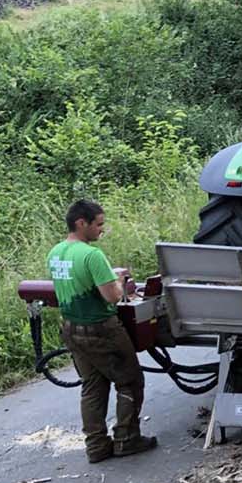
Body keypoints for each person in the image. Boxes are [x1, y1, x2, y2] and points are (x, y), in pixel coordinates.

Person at [47, 199, 157, 464]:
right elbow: (111, 297)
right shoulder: (91, 255)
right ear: (80, 223)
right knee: (129, 381)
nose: (101, 230)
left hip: (71, 327)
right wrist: (119, 282)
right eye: (98, 225)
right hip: (101, 329)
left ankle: (96, 445)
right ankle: (126, 438)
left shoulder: (56, 252)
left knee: (93, 386)